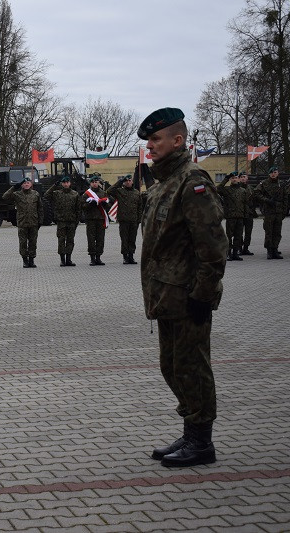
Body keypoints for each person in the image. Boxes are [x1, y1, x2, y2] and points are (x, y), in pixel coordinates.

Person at [138, 107, 227, 468]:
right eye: (147, 141)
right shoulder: (163, 184)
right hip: (167, 295)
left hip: (189, 295)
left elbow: (213, 246)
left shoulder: (193, 182)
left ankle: (201, 443)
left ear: (178, 140)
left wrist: (203, 295)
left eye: (156, 139)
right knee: (172, 366)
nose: (150, 147)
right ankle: (191, 430)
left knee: (192, 366)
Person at [2, 176, 43, 267]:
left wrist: (40, 220)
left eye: (28, 182)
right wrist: (14, 187)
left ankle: (31, 260)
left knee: (33, 242)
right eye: (24, 183)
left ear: (31, 184)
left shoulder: (35, 194)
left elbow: (40, 208)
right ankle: (25, 260)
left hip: (33, 222)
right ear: (22, 185)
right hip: (22, 223)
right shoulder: (17, 194)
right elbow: (5, 197)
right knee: (23, 242)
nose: (26, 184)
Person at [44, 176, 81, 266]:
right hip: (61, 221)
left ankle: (68, 259)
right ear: (62, 184)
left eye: (67, 182)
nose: (66, 184)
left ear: (70, 183)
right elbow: (46, 195)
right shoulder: (57, 193)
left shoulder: (75, 194)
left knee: (70, 240)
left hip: (71, 221)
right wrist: (54, 186)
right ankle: (62, 260)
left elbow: (78, 209)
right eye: (64, 183)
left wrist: (77, 221)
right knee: (61, 240)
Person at [253, 166, 288, 259]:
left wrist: (284, 211)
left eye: (275, 172)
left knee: (277, 232)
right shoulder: (264, 183)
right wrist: (266, 200)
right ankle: (269, 250)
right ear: (269, 174)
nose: (273, 174)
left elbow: (285, 198)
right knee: (269, 231)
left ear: (278, 173)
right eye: (271, 172)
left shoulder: (281, 184)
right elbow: (256, 193)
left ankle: (275, 249)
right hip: (269, 211)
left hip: (279, 211)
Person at [106, 174, 143, 264]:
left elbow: (140, 207)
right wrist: (120, 181)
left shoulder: (136, 193)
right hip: (123, 220)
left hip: (134, 220)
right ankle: (125, 257)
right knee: (124, 239)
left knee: (132, 239)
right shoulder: (120, 192)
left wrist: (139, 220)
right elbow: (109, 191)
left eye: (129, 180)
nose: (128, 182)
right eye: (126, 181)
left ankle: (131, 256)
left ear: (132, 182)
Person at [216, 171, 247, 261]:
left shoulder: (243, 191)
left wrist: (245, 214)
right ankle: (228, 253)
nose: (234, 179)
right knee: (229, 236)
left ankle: (235, 253)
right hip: (230, 216)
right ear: (230, 179)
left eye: (236, 178)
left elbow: (245, 204)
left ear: (238, 179)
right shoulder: (226, 190)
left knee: (238, 236)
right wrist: (226, 178)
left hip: (240, 216)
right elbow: (218, 189)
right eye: (232, 178)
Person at [82, 174, 111, 265]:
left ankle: (98, 257)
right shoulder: (86, 194)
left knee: (100, 239)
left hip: (100, 219)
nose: (95, 184)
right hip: (90, 219)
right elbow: (82, 206)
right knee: (91, 239)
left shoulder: (103, 193)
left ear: (99, 183)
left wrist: (104, 203)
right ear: (90, 183)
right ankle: (92, 258)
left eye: (96, 182)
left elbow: (108, 205)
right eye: (93, 182)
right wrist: (90, 204)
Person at [240, 172, 257, 255]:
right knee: (239, 232)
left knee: (248, 232)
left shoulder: (251, 188)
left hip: (249, 213)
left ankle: (246, 248)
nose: (243, 178)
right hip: (239, 213)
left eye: (244, 177)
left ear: (247, 178)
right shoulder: (237, 187)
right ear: (239, 179)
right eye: (241, 177)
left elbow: (255, 199)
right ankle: (239, 248)